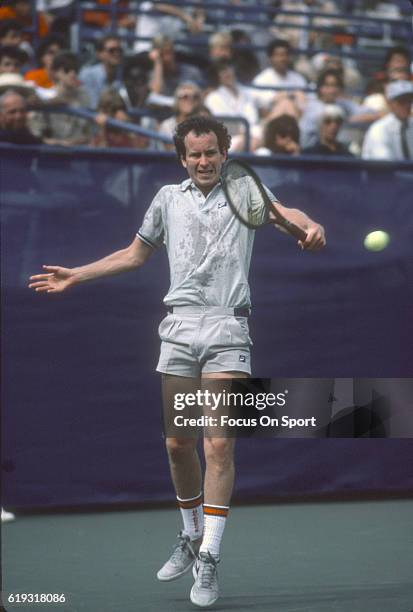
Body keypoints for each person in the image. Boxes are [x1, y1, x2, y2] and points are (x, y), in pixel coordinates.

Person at [28, 116, 325, 608]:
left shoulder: (245, 188)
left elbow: (283, 211)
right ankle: (189, 535)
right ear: (182, 158)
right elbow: (133, 254)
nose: (204, 161)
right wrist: (75, 275)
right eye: (195, 154)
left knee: (218, 446)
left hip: (229, 329)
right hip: (179, 331)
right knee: (176, 444)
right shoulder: (167, 198)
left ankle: (209, 555)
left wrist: (311, 225)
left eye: (211, 152)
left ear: (224, 153)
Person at [29, 51, 92, 146]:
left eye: (76, 70)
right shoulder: (44, 98)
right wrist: (62, 144)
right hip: (52, 154)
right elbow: (37, 136)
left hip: (79, 153)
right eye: (67, 70)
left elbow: (89, 133)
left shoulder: (85, 97)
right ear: (55, 73)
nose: (72, 74)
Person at [252, 39, 307, 115]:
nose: (283, 59)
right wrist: (289, 96)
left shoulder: (299, 79)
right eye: (279, 55)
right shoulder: (261, 80)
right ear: (270, 58)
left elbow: (303, 106)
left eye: (286, 55)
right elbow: (262, 110)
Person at [362, 80, 413, 161]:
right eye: (402, 101)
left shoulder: (411, 124)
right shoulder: (379, 129)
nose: (407, 105)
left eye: (409, 101)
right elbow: (385, 165)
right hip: (383, 172)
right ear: (390, 103)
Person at [79, 34, 124, 109]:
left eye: (119, 50)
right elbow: (92, 107)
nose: (117, 53)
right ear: (99, 54)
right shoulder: (88, 75)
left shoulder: (119, 80)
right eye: (111, 50)